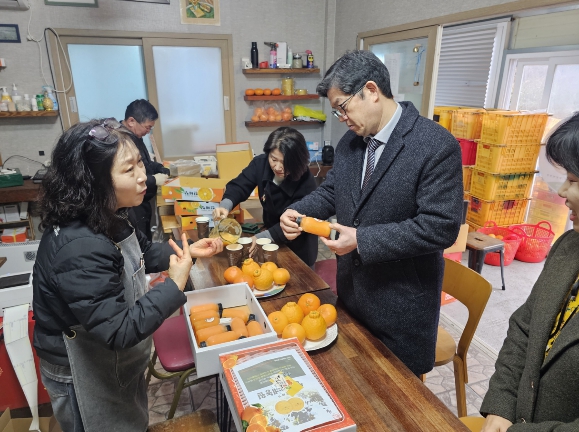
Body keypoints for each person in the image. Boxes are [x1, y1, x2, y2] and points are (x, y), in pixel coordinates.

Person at [280, 50, 463, 376]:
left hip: (401, 308)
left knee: (397, 398)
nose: (341, 118)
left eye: (343, 107)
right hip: (352, 296)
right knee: (351, 382)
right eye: (336, 111)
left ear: (371, 91)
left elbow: (440, 226)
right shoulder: (351, 143)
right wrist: (297, 210)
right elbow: (332, 191)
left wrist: (362, 239)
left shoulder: (435, 145)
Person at [32, 119, 223, 432]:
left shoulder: (106, 212)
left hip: (108, 358)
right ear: (94, 180)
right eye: (128, 169)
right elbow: (118, 330)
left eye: (140, 163)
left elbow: (140, 253)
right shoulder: (79, 246)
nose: (142, 176)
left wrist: (187, 252)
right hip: (80, 370)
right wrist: (174, 283)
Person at [480, 113, 579, 431]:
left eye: (574, 180)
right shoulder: (568, 246)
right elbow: (526, 327)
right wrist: (503, 404)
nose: (562, 191)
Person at [212, 127, 318, 267]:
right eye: (273, 159)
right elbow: (240, 185)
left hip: (297, 247)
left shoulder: (307, 182)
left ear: (297, 161)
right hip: (268, 237)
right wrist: (225, 205)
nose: (277, 167)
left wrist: (261, 238)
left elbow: (296, 222)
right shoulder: (261, 164)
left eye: (285, 162)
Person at [122, 99, 170, 241]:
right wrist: (154, 179)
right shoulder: (121, 142)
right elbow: (129, 177)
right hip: (132, 205)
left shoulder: (136, 137)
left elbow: (145, 163)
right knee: (140, 241)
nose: (148, 131)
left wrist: (160, 168)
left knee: (146, 239)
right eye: (147, 127)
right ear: (131, 121)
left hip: (143, 200)